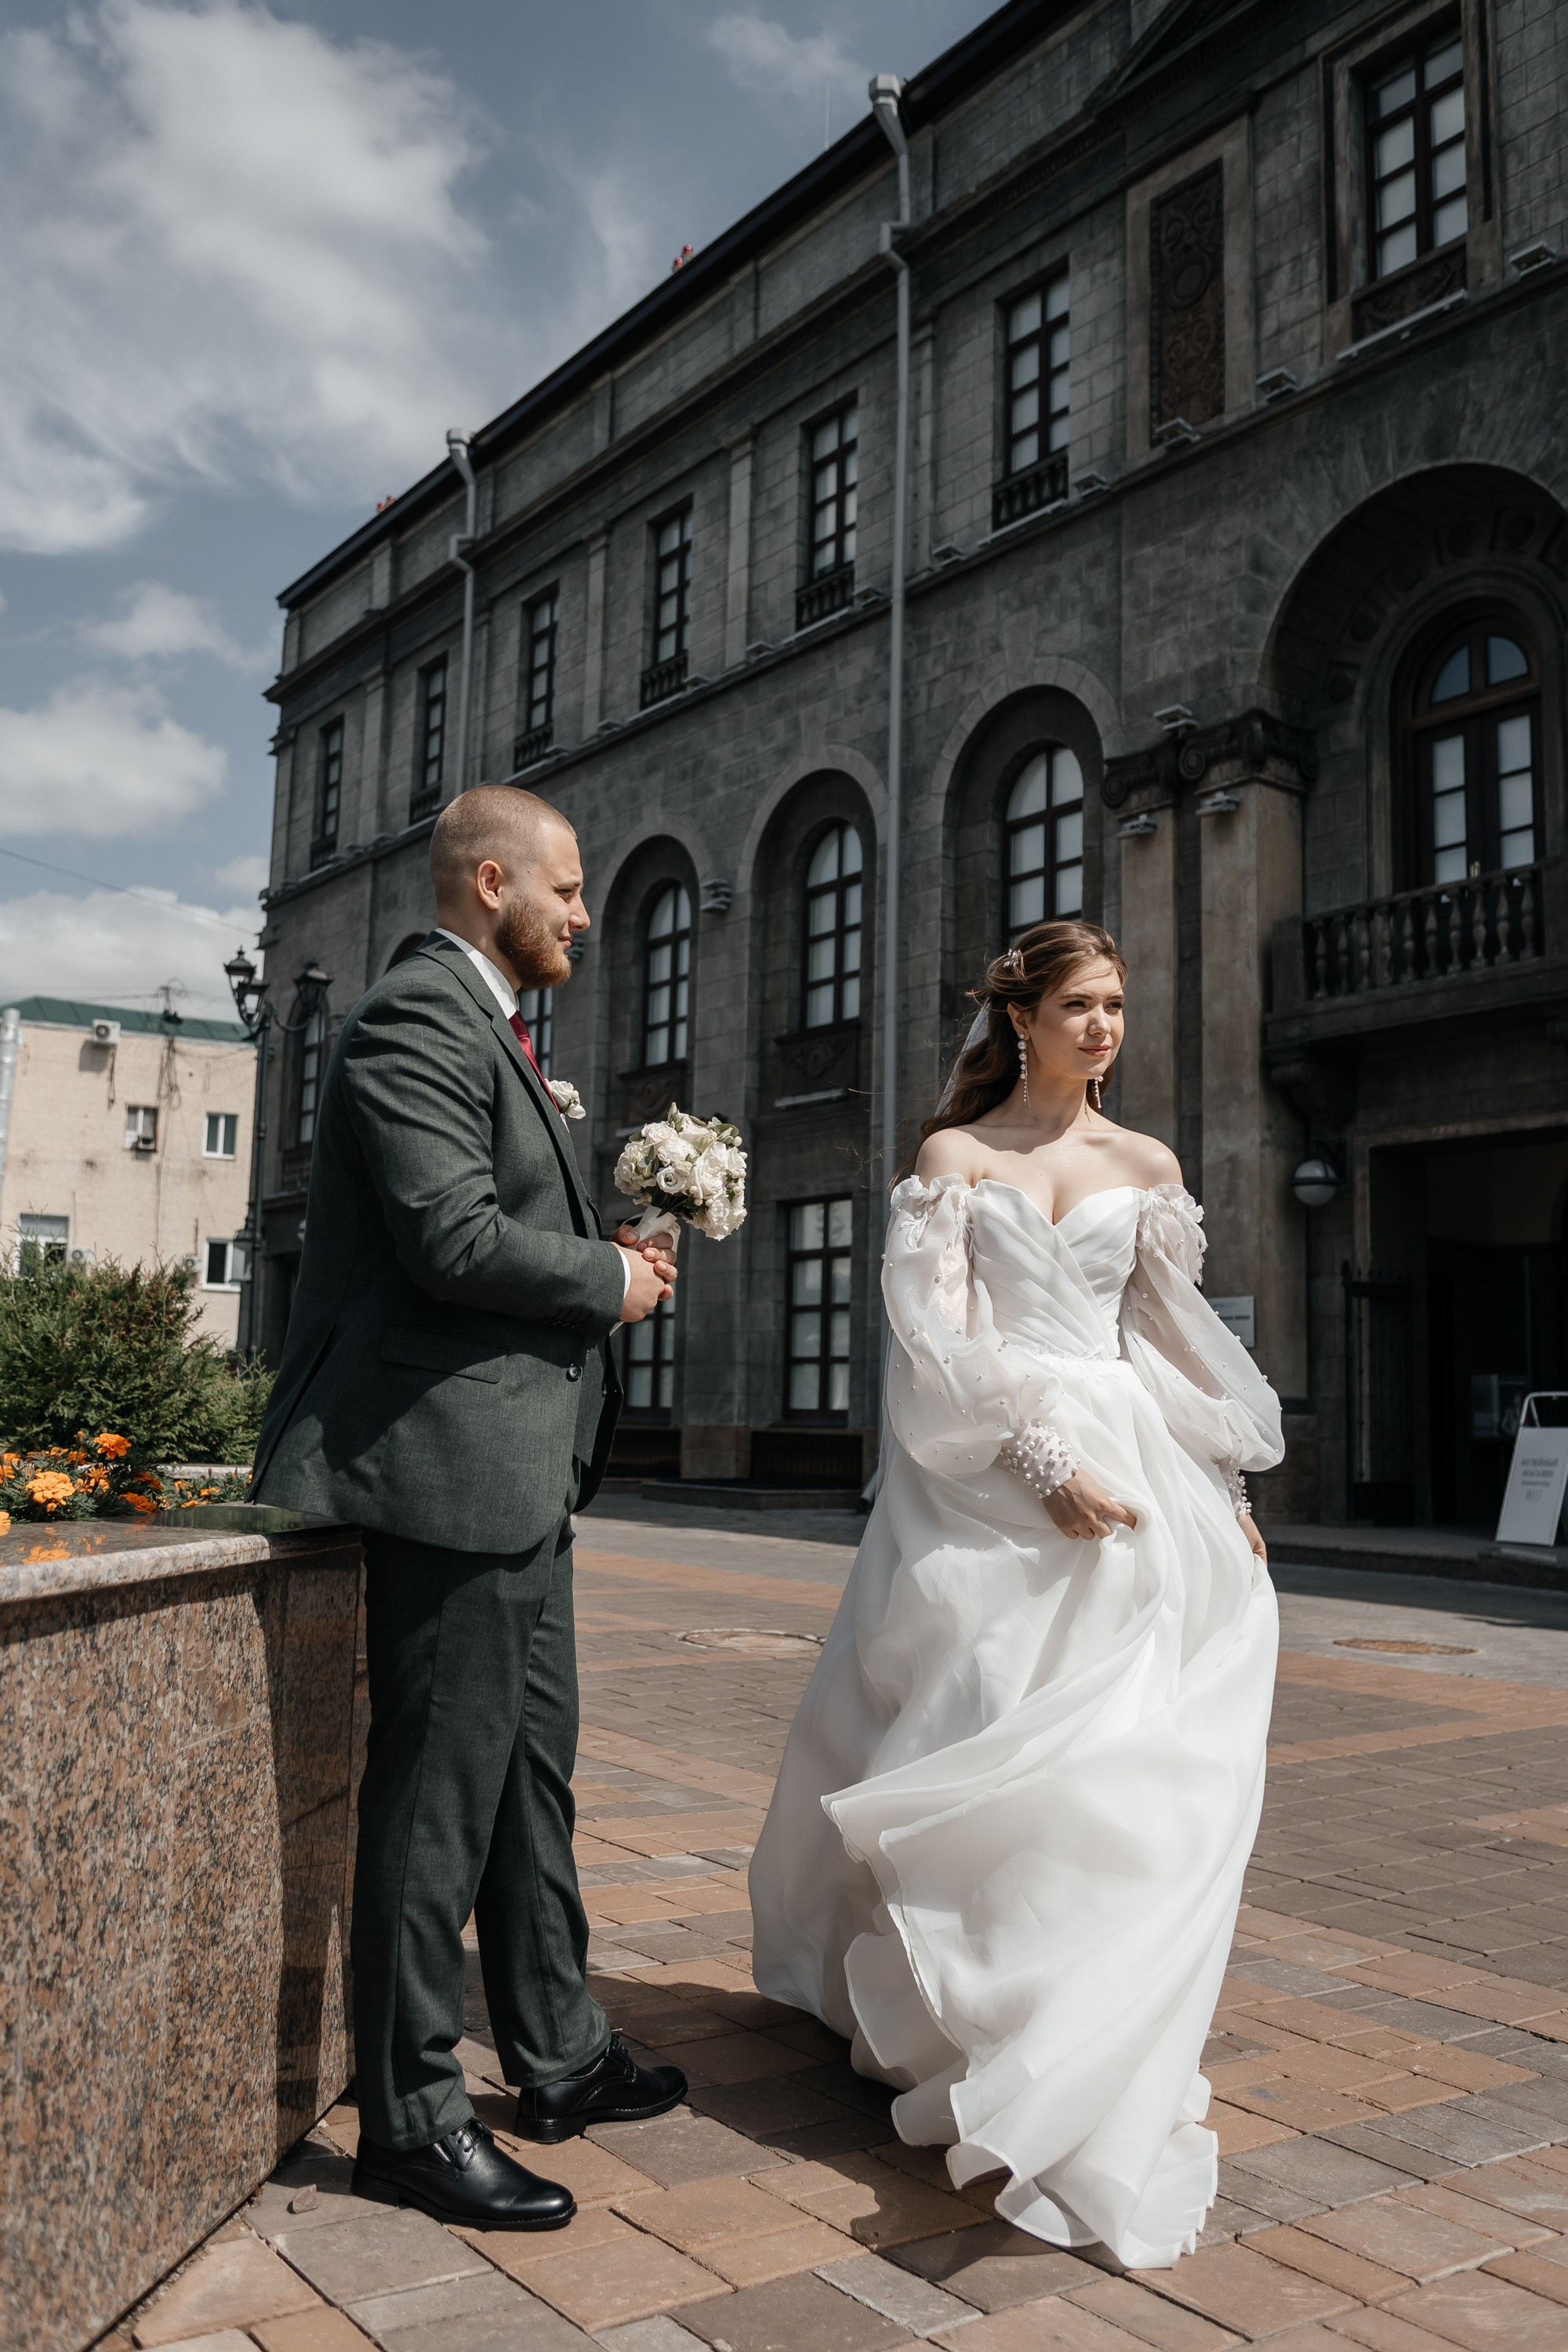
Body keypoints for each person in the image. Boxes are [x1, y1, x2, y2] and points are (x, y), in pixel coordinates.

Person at [749, 920, 1283, 2268]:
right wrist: (1039, 1460)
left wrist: (1225, 1487)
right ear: (1023, 1017)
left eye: (1116, 1006)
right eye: (1081, 1006)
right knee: (978, 1709)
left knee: (1125, 1756)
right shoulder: (955, 1159)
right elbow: (934, 1337)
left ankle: (1083, 2019)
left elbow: (1170, 1337)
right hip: (984, 1464)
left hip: (1134, 1465)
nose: (1105, 1027)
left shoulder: (1145, 1165)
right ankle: (961, 2010)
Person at [253, 786, 688, 2230]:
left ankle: (556, 2054)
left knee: (528, 1782)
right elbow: (446, 1236)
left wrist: (601, 1242)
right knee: (433, 1805)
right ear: (491, 880)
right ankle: (411, 2118)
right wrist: (606, 1283)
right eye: (566, 891)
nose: (582, 915)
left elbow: (493, 1216)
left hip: (518, 1476)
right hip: (442, 1475)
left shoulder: (495, 1030)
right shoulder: (412, 1020)